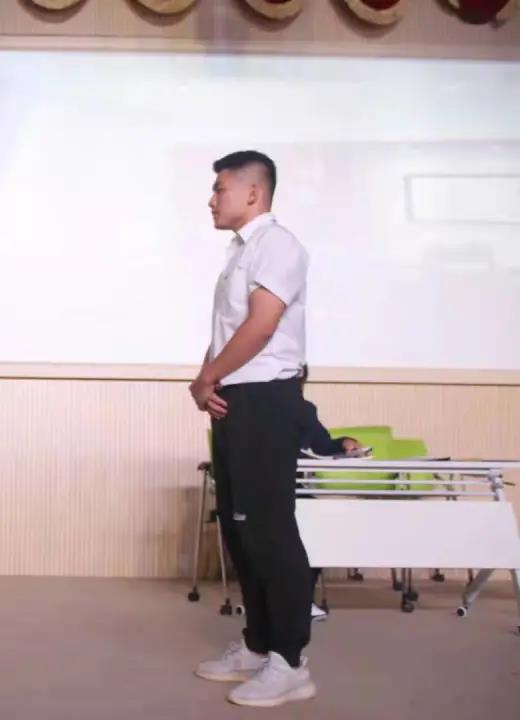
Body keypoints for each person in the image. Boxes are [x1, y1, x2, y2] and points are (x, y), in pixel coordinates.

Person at [189, 151, 316, 707]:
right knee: (240, 529)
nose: (211, 199)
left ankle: (291, 662)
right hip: (236, 398)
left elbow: (263, 326)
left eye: (219, 188)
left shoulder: (277, 244)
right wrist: (207, 378)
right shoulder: (241, 252)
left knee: (269, 530)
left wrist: (209, 378)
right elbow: (229, 330)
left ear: (252, 193)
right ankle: (259, 644)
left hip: (266, 398)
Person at [296, 365, 363, 621]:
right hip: (262, 488)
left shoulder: (304, 410)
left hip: (297, 489)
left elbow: (323, 445)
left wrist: (344, 442)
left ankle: (301, 601)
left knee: (317, 529)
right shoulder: (253, 407)